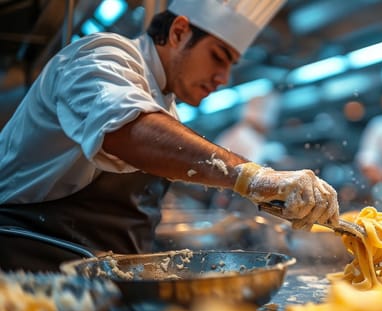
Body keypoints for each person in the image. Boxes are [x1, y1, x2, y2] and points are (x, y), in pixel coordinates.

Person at [0, 0, 339, 271]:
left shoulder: (165, 107)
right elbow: (126, 128)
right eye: (218, 56)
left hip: (102, 276)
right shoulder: (99, 56)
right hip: (32, 269)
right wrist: (252, 177)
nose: (223, 77)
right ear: (178, 32)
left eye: (231, 65)